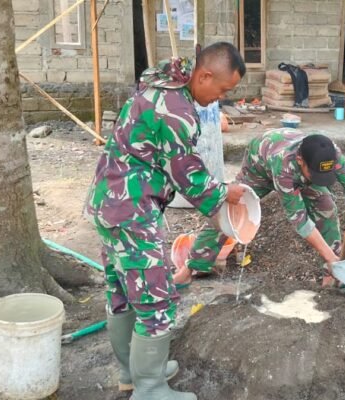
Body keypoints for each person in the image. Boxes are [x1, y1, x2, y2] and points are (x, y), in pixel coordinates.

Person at [83, 42, 247, 400]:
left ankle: (134, 372)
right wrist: (224, 193)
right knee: (155, 299)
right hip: (131, 210)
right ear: (204, 76)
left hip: (109, 203)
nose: (219, 99)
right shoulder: (176, 111)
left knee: (122, 290)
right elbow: (187, 173)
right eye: (222, 90)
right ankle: (150, 388)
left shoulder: (162, 84)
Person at [173, 128, 345, 287]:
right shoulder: (283, 163)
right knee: (226, 212)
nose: (319, 179)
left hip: (297, 168)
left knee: (327, 208)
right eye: (315, 174)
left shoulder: (330, 153)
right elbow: (300, 220)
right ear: (300, 160)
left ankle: (331, 275)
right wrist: (330, 256)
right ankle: (191, 268)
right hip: (259, 167)